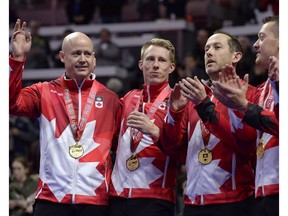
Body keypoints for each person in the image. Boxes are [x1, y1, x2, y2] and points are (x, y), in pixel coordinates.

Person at [9, 19, 121, 216]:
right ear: (62, 56)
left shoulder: (111, 100)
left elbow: (119, 147)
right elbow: (11, 103)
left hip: (95, 200)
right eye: (76, 53)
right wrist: (17, 61)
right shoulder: (44, 92)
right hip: (52, 199)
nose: (82, 59)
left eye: (87, 54)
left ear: (94, 59)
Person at [161, 31, 257, 216]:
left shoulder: (250, 95)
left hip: (234, 202)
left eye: (217, 47)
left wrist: (204, 105)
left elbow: (246, 146)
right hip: (194, 201)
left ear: (236, 56)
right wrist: (175, 112)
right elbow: (175, 150)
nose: (209, 53)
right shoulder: (193, 97)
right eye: (206, 49)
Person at [211, 16, 279, 216]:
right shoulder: (261, 91)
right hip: (263, 191)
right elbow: (247, 143)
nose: (256, 44)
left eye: (262, 37)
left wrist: (242, 105)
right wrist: (236, 107)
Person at [108, 38, 178, 216]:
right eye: (150, 59)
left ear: (171, 67)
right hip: (117, 196)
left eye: (162, 60)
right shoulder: (129, 98)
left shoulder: (177, 102)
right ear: (141, 64)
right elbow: (113, 140)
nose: (155, 65)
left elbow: (181, 149)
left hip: (155, 197)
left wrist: (155, 131)